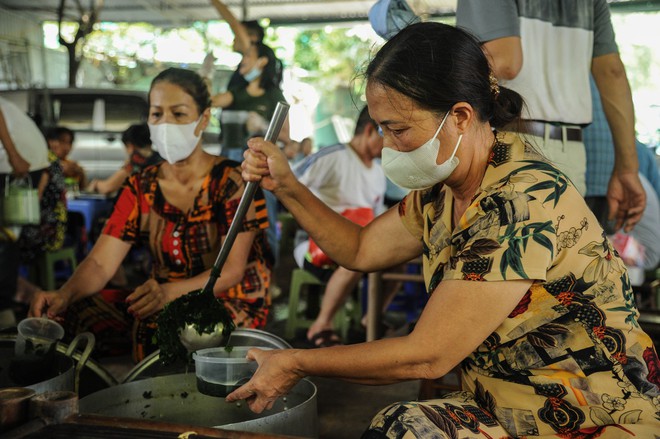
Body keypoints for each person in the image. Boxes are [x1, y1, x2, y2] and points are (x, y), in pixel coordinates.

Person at [231, 22, 660, 436]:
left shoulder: (520, 200)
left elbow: (428, 357)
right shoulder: (443, 191)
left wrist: (296, 362)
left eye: (398, 130)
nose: (386, 145)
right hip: (502, 404)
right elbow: (361, 249)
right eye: (381, 129)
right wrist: (287, 186)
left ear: (459, 116)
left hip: (591, 415)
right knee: (401, 425)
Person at [29, 67, 273, 362]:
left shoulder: (234, 180)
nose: (166, 123)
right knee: (68, 317)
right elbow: (99, 262)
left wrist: (169, 293)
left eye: (179, 114)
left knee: (181, 332)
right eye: (157, 114)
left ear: (203, 119)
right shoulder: (140, 186)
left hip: (225, 299)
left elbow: (231, 272)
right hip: (162, 297)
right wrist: (63, 295)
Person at [455, 0, 646, 234]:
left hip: (508, 147)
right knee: (559, 259)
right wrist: (628, 169)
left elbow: (504, 62)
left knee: (504, 259)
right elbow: (612, 72)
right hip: (571, 153)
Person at [292, 106, 386, 347]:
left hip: (358, 244)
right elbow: (290, 186)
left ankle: (369, 320)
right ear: (369, 130)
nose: (393, 144)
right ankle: (322, 324)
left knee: (401, 256)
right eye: (389, 133)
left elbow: (378, 217)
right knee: (356, 255)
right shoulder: (333, 156)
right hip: (313, 246)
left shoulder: (378, 172)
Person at [0, 96, 50, 317]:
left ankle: (3, 308)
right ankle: (7, 306)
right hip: (26, 163)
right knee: (8, 238)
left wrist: (14, 156)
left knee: (5, 239)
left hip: (12, 165)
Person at [86, 123, 162, 195]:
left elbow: (107, 187)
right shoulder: (160, 158)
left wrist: (96, 184)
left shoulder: (136, 161)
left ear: (130, 146)